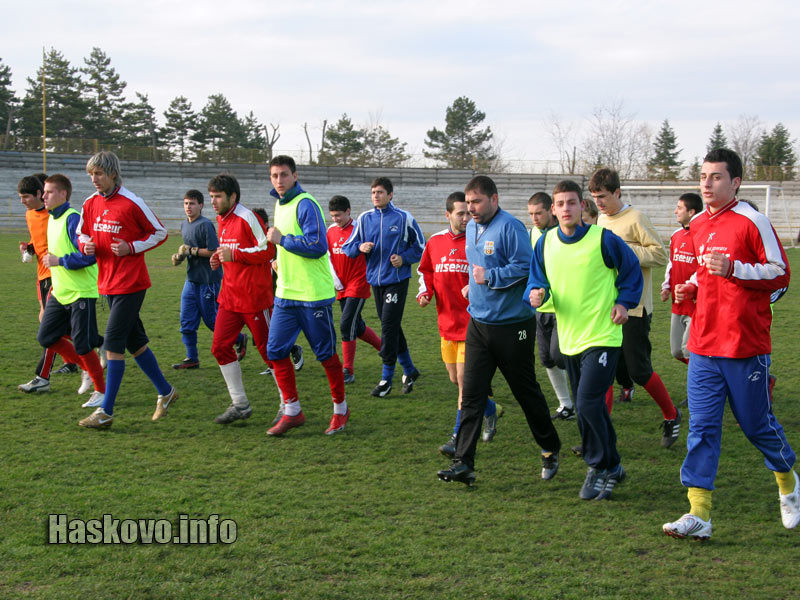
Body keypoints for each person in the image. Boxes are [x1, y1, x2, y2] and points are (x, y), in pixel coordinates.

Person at [663, 148, 798, 540]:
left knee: (756, 426)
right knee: (702, 428)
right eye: (703, 176)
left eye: (716, 176)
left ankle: (788, 483)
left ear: (735, 182)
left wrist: (736, 269)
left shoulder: (753, 221)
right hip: (704, 345)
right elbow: (710, 275)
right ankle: (699, 514)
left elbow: (780, 274)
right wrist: (696, 284)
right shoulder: (699, 225)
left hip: (744, 346)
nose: (706, 183)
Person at [437, 176, 561, 486]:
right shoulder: (471, 229)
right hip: (478, 324)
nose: (471, 210)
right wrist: (473, 286)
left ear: (494, 198)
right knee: (471, 395)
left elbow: (525, 268)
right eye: (467, 205)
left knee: (525, 392)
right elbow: (478, 267)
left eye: (476, 203)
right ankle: (463, 462)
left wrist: (488, 277)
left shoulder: (511, 227)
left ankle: (549, 448)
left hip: (513, 328)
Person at [526, 180, 643, 500]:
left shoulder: (602, 239)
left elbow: (631, 271)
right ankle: (614, 464)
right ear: (553, 210)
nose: (566, 209)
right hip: (570, 338)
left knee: (589, 402)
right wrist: (536, 294)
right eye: (560, 204)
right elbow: (537, 281)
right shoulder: (546, 243)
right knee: (584, 406)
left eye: (572, 203)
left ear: (582, 207)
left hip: (603, 335)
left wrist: (623, 303)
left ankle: (599, 467)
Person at [76, 151, 177, 429]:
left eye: (98, 174)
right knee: (136, 343)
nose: (94, 179)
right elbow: (82, 232)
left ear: (112, 174)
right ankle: (166, 392)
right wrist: (86, 244)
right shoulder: (90, 203)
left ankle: (106, 412)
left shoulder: (133, 202)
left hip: (131, 283)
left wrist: (131, 247)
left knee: (112, 344)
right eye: (91, 174)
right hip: (106, 283)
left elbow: (159, 232)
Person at [591, 167, 681, 448]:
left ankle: (671, 414)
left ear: (617, 192)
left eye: (603, 196)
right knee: (603, 370)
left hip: (635, 308)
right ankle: (599, 436)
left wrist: (625, 250)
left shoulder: (636, 218)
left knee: (639, 371)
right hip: (607, 308)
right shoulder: (600, 222)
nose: (599, 202)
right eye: (594, 197)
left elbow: (659, 254)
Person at [265, 155, 349, 436]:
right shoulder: (280, 203)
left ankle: (340, 409)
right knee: (275, 351)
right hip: (286, 294)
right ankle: (292, 410)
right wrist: (279, 259)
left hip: (313, 295)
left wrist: (282, 241)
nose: (279, 180)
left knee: (325, 355)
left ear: (295, 175)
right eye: (275, 175)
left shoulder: (305, 203)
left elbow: (317, 245)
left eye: (284, 175)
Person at [417, 192, 502, 457]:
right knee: (456, 380)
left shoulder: (479, 240)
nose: (466, 217)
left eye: (468, 212)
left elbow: (494, 270)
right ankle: (491, 409)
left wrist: (477, 285)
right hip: (446, 323)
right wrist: (425, 291)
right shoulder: (436, 242)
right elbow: (426, 271)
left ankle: (458, 436)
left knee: (465, 383)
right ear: (448, 215)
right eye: (460, 213)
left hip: (473, 322)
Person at [205, 174, 279, 425]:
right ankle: (240, 404)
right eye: (211, 196)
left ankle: (287, 405)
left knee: (271, 354)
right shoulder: (221, 219)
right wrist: (218, 257)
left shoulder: (248, 217)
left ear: (232, 197)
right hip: (230, 298)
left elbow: (268, 250)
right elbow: (231, 251)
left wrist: (233, 254)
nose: (213, 201)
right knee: (219, 347)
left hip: (255, 299)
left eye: (217, 196)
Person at [342, 177, 425, 397]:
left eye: (380, 192)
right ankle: (409, 369)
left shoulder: (404, 218)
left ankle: (386, 378)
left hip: (397, 281)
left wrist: (404, 258)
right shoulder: (364, 219)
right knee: (393, 325)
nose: (376, 196)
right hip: (375, 283)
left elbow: (421, 247)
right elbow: (347, 247)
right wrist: (360, 247)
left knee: (388, 325)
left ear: (390, 195)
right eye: (373, 192)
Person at [36, 174, 106, 409]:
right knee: (46, 337)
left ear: (63, 194)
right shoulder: (51, 219)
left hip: (80, 292)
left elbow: (89, 256)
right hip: (60, 292)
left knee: (83, 344)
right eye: (43, 193)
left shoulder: (72, 219)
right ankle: (88, 367)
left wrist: (59, 261)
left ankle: (101, 391)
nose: (43, 196)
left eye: (49, 192)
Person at [170, 189, 247, 370]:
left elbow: (215, 251)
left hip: (208, 280)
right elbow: (187, 251)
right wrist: (179, 256)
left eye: (192, 203)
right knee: (186, 321)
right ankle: (192, 358)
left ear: (201, 206)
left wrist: (191, 250)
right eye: (186, 203)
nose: (188, 207)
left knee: (212, 320)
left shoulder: (205, 225)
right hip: (191, 280)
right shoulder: (184, 225)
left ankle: (240, 338)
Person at [17, 174, 73, 393]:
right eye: (20, 197)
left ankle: (42, 378)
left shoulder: (55, 216)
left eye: (26, 197)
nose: (23, 201)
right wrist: (29, 248)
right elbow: (38, 241)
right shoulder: (30, 216)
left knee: (49, 327)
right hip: (41, 276)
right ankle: (98, 344)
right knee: (58, 327)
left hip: (57, 276)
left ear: (40, 194)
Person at [527, 192, 574, 421]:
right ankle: (566, 405)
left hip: (563, 307)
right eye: (531, 214)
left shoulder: (563, 233)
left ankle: (586, 397)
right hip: (541, 307)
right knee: (546, 357)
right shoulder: (533, 233)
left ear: (551, 211)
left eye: (539, 213)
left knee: (559, 355)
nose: (535, 219)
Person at [327, 195, 382, 384]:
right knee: (356, 326)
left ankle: (348, 370)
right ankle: (386, 349)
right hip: (340, 285)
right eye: (333, 216)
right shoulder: (330, 231)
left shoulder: (360, 228)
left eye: (339, 215)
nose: (335, 219)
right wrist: (334, 280)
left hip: (358, 283)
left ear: (348, 212)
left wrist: (365, 247)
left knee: (345, 324)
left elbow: (373, 249)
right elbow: (327, 257)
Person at [660, 193, 703, 365]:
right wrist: (666, 286)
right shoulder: (676, 235)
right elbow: (672, 263)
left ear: (691, 212)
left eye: (679, 208)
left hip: (695, 302)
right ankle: (714, 376)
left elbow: (704, 268)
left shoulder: (702, 236)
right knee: (676, 351)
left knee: (688, 349)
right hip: (677, 302)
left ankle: (703, 389)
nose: (675, 211)